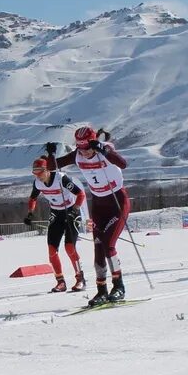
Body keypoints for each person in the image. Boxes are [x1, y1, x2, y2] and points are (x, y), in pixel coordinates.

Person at [47, 127, 130, 305]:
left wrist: (103, 149)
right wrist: (51, 155)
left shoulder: (104, 151)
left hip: (117, 202)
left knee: (109, 245)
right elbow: (52, 166)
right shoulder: (77, 155)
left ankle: (119, 287)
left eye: (87, 148)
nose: (83, 153)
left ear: (93, 143)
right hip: (99, 205)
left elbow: (123, 164)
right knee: (98, 247)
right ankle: (101, 290)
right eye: (80, 148)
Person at [24, 156, 87, 292]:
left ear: (47, 170)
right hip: (56, 213)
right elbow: (33, 198)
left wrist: (75, 210)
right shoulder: (38, 183)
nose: (38, 176)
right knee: (52, 250)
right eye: (35, 173)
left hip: (71, 211)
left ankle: (80, 278)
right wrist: (30, 213)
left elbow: (81, 194)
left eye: (40, 173)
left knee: (70, 247)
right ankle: (60, 282)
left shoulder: (61, 178)